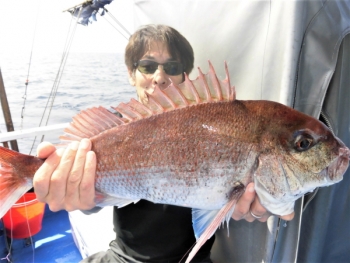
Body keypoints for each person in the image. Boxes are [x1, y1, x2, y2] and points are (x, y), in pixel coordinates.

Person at [33, 24, 293, 263]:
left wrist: (266, 200)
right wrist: (74, 192)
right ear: (131, 74)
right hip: (125, 258)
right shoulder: (113, 129)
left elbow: (243, 198)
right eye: (147, 66)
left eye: (172, 67)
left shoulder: (223, 125)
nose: (159, 77)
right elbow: (91, 204)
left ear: (185, 75)